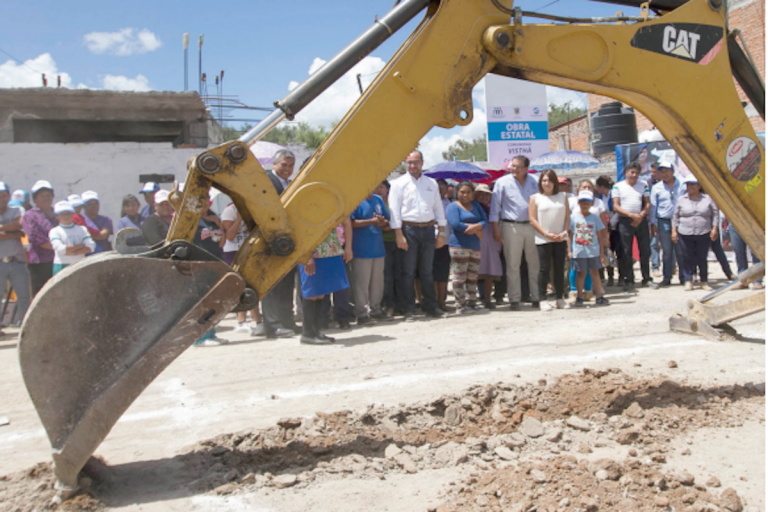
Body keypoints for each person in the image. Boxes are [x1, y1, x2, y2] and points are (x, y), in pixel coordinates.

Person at [388, 150, 447, 321]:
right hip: (408, 230)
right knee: (408, 272)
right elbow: (394, 211)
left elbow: (438, 209)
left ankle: (431, 307)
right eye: (409, 163)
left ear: (422, 163)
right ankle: (408, 309)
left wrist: (441, 233)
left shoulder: (431, 183)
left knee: (427, 271)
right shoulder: (398, 184)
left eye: (415, 162)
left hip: (428, 230)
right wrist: (399, 234)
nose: (412, 166)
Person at [489, 155, 541, 310]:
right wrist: (495, 228)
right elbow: (495, 208)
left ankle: (537, 296)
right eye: (512, 166)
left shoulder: (535, 181)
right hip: (510, 226)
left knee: (534, 263)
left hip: (533, 226)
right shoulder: (502, 183)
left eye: (518, 167)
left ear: (526, 168)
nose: (514, 169)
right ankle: (514, 299)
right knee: (513, 264)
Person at [261, 149, 299, 338]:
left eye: (291, 165)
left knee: (286, 285)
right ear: (274, 164)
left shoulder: (290, 184)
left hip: (287, 241)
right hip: (271, 239)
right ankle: (273, 325)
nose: (287, 169)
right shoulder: (267, 182)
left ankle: (287, 322)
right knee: (272, 285)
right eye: (284, 164)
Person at [298, 218, 353, 345]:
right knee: (311, 292)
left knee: (321, 291)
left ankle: (315, 330)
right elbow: (300, 228)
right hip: (311, 252)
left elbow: (346, 222)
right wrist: (307, 256)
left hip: (329, 249)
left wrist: (348, 247)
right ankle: (307, 333)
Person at [221, 202, 265, 336]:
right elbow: (229, 236)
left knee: (251, 285)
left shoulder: (252, 208)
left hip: (249, 250)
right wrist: (239, 219)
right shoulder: (229, 210)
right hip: (233, 251)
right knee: (241, 285)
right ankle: (245, 321)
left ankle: (252, 321)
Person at [612, 162, 657, 291]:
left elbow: (647, 204)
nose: (634, 175)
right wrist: (631, 215)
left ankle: (646, 278)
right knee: (626, 251)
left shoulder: (643, 185)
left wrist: (641, 215)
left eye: (637, 173)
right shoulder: (617, 186)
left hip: (640, 220)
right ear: (626, 173)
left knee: (645, 250)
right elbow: (616, 206)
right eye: (632, 172)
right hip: (625, 220)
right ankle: (628, 279)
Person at [529, 169, 570, 311]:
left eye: (550, 180)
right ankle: (542, 299)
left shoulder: (563, 196)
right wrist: (546, 234)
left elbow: (567, 217)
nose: (547, 183)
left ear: (555, 183)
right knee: (544, 269)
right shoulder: (535, 197)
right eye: (544, 180)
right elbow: (532, 219)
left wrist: (564, 232)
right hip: (543, 239)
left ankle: (560, 298)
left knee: (559, 269)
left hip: (560, 238)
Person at [672, 176, 719, 291]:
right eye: (688, 184)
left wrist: (715, 228)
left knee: (702, 257)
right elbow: (675, 216)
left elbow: (715, 213)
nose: (691, 187)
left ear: (698, 186)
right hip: (685, 232)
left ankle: (704, 281)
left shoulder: (707, 199)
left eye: (693, 184)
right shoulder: (681, 199)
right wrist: (674, 231)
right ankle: (689, 280)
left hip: (703, 232)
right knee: (687, 257)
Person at [445, 181, 486, 314]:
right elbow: (456, 224)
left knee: (472, 276)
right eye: (462, 192)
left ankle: (472, 302)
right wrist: (474, 228)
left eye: (468, 192)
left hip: (474, 245)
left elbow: (484, 220)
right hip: (459, 246)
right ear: (457, 192)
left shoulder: (476, 205)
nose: (465, 195)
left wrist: (477, 227)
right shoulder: (452, 206)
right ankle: (460, 304)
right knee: (459, 276)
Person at [350, 190, 389, 324]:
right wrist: (371, 221)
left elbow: (385, 219)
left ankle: (376, 310)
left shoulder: (377, 199)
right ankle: (361, 313)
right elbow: (351, 222)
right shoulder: (354, 199)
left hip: (378, 247)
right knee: (362, 283)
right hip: (361, 248)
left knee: (377, 282)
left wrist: (381, 222)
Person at [569, 190, 609, 306]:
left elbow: (600, 236)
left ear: (591, 204)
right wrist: (569, 250)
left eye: (587, 202)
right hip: (579, 251)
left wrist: (601, 252)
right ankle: (579, 296)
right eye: (582, 202)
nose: (584, 205)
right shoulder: (573, 218)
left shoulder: (595, 218)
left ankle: (599, 296)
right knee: (580, 273)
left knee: (595, 273)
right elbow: (569, 235)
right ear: (578, 203)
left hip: (593, 251)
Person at [0, 182, 31, 323]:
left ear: (8, 196)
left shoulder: (17, 210)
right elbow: (16, 231)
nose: (2, 198)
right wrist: (13, 234)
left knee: (24, 296)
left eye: (4, 195)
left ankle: (24, 327)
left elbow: (19, 225)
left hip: (17, 261)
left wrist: (4, 229)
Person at [649, 163, 684, 287]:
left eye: (667, 171)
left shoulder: (682, 184)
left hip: (680, 220)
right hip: (663, 221)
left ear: (673, 171)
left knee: (681, 250)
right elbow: (653, 207)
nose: (664, 174)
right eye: (662, 172)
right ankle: (667, 277)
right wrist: (652, 223)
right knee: (667, 250)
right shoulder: (656, 188)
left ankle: (684, 277)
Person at [22, 180, 58, 296]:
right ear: (35, 199)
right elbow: (38, 239)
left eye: (48, 195)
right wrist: (64, 248)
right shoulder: (30, 215)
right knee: (42, 296)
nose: (46, 198)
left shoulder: (58, 213)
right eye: (42, 196)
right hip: (40, 264)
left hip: (59, 261)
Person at [375, 180, 403, 317]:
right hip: (382, 242)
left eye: (382, 187)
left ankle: (399, 303)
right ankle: (388, 304)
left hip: (398, 241)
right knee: (386, 276)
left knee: (399, 273)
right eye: (377, 187)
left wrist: (389, 225)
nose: (379, 190)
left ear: (387, 189)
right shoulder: (375, 203)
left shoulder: (394, 203)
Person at [474, 183, 502, 309]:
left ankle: (487, 298)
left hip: (491, 241)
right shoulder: (472, 208)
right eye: (481, 193)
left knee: (489, 271)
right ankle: (473, 298)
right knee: (474, 271)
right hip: (477, 241)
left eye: (487, 194)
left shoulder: (493, 209)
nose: (484, 196)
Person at [48, 201, 95, 275]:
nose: (66, 216)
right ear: (56, 216)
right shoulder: (54, 231)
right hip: (62, 265)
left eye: (68, 213)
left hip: (80, 264)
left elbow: (91, 246)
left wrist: (71, 251)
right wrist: (80, 246)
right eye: (62, 214)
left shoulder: (82, 229)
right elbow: (60, 249)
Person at [433, 179, 452, 311]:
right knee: (432, 273)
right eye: (438, 186)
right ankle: (433, 301)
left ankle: (442, 301)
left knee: (444, 273)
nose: (440, 188)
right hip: (432, 241)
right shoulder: (430, 202)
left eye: (443, 186)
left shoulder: (449, 203)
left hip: (446, 242)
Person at [728, 221, 764, 289]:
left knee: (755, 252)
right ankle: (743, 281)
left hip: (750, 222)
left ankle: (757, 281)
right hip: (734, 223)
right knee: (738, 252)